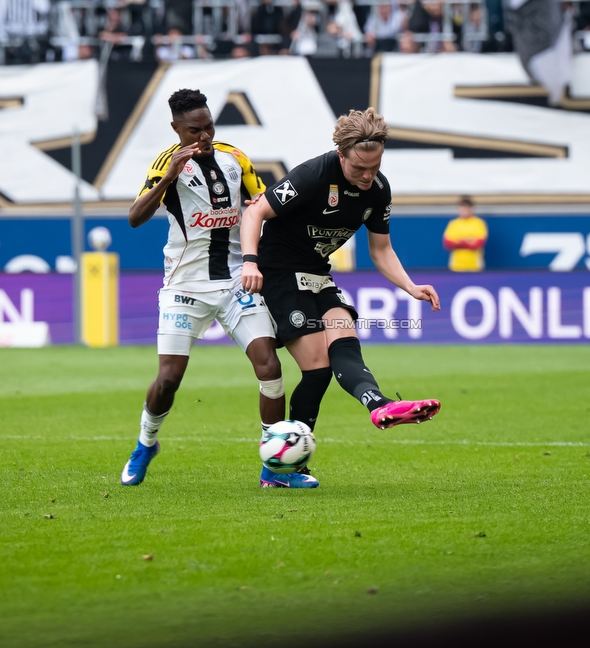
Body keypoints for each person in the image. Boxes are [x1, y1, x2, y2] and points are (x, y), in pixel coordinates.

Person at [240, 107, 442, 489]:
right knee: (316, 367)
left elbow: (381, 250)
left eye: (374, 167)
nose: (368, 176)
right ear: (341, 156)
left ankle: (381, 406)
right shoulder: (313, 175)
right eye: (358, 169)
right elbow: (255, 215)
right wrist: (250, 262)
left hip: (318, 274)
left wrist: (411, 287)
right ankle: (283, 472)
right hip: (279, 274)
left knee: (344, 338)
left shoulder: (379, 190)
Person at [120, 89, 286, 487]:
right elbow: (134, 217)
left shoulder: (235, 158)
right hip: (185, 286)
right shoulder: (166, 163)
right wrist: (169, 179)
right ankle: (146, 443)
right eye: (195, 129)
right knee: (168, 380)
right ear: (176, 128)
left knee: (270, 365)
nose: (205, 135)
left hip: (234, 281)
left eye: (209, 126)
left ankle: (275, 468)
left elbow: (262, 205)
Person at [443, 197, 488, 272]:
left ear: (471, 209)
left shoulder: (479, 223)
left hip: (475, 266)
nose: (465, 211)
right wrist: (468, 240)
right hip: (456, 266)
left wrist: (459, 241)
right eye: (462, 208)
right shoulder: (453, 224)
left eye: (467, 208)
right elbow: (448, 243)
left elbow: (478, 243)